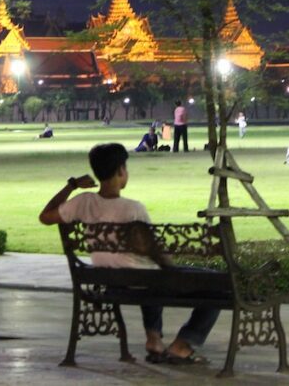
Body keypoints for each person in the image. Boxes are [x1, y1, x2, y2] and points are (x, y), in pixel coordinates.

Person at [39, 143, 219, 364]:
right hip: (143, 280)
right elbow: (152, 252)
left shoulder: (82, 202)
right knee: (215, 286)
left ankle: (154, 339)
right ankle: (182, 345)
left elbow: (45, 216)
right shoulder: (133, 208)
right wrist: (171, 267)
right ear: (121, 171)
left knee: (147, 275)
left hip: (108, 280)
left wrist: (73, 185)